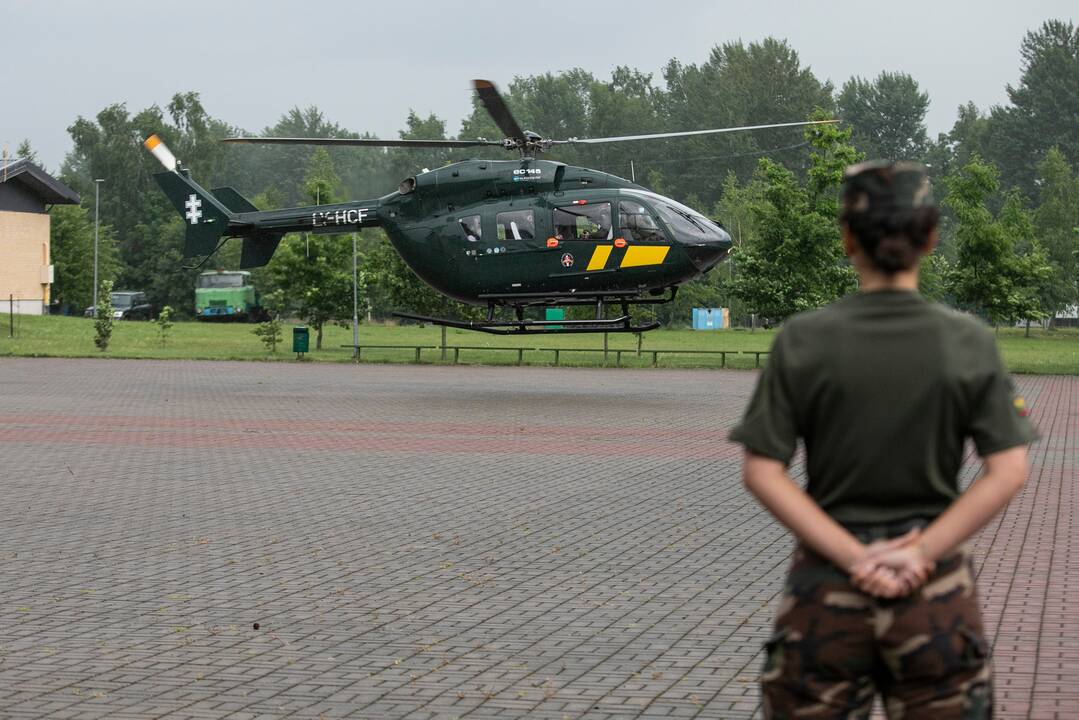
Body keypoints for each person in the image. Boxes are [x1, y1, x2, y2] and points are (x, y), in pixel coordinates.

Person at [729, 160, 1038, 718]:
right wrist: (919, 552)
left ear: (848, 237)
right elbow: (1009, 470)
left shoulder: (804, 340)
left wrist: (853, 558)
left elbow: (762, 471)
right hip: (934, 596)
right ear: (930, 236)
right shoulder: (967, 342)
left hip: (826, 594)